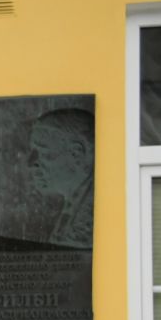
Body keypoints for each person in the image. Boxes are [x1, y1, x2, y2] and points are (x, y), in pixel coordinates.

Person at [27, 106, 94, 249]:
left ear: (76, 154)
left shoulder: (93, 212)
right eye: (33, 152)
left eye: (43, 153)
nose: (31, 163)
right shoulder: (74, 203)